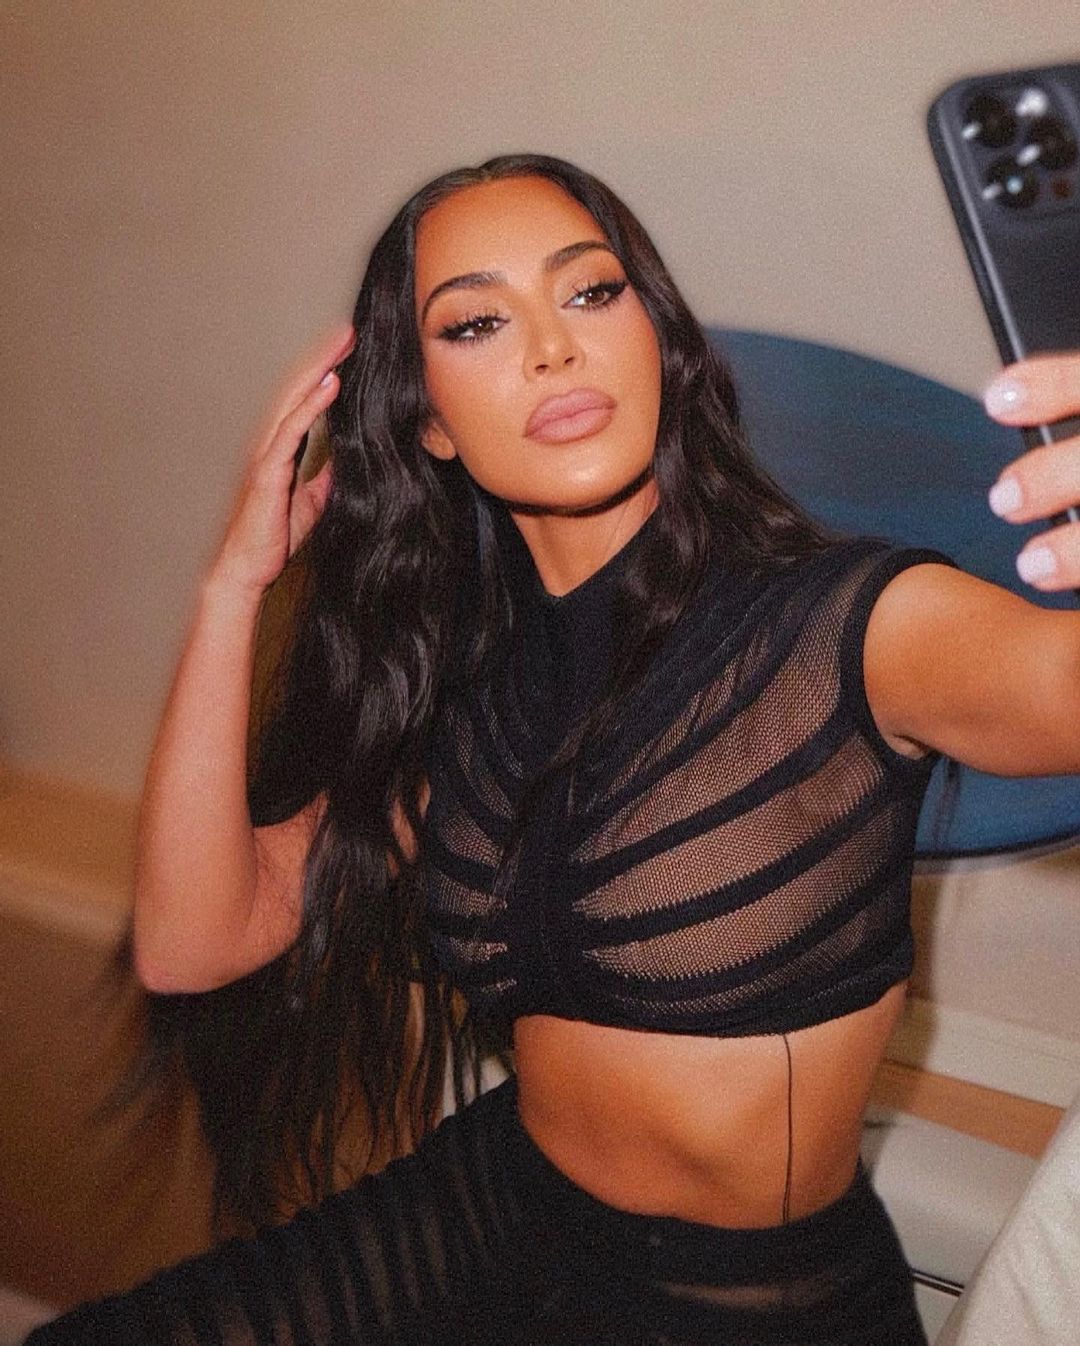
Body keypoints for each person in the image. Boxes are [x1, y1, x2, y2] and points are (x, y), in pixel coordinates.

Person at [26, 154, 1080, 1345]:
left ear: (658, 344)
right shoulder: (476, 686)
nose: (552, 346)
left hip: (743, 1307)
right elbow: (193, 941)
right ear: (427, 421)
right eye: (477, 322)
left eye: (590, 292)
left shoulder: (854, 625)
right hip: (484, 1214)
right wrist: (232, 585)